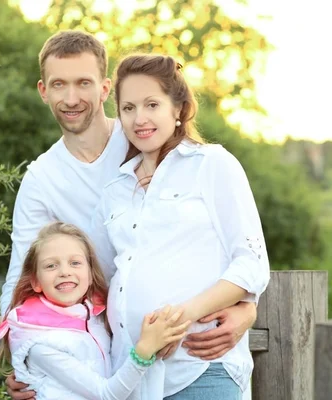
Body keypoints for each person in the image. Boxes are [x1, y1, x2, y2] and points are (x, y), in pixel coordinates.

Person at [0, 30, 261, 400]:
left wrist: (247, 306)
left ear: (103, 89)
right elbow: (32, 274)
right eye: (59, 84)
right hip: (125, 370)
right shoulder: (95, 185)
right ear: (43, 90)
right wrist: (26, 358)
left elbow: (244, 255)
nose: (71, 98)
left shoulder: (188, 156)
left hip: (195, 362)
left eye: (83, 83)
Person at [88, 54, 270, 399]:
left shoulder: (212, 164)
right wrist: (30, 329)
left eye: (152, 104)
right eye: (128, 108)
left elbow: (251, 263)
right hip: (131, 376)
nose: (139, 118)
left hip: (199, 368)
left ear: (178, 109)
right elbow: (97, 280)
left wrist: (179, 320)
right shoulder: (115, 190)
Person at [0, 222, 191, 400]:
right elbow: (106, 395)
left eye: (75, 263)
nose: (64, 271)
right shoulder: (40, 343)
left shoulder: (93, 315)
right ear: (36, 282)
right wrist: (145, 350)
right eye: (51, 265)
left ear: (89, 272)